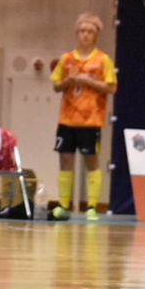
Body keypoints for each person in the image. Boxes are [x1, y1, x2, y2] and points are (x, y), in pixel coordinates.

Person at [49, 13, 117, 221]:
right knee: (65, 159)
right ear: (77, 33)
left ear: (96, 35)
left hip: (91, 119)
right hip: (67, 118)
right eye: (82, 31)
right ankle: (63, 205)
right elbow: (56, 86)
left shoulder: (102, 59)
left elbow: (111, 87)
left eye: (89, 32)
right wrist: (68, 80)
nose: (85, 35)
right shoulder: (67, 59)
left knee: (91, 160)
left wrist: (88, 81)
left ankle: (92, 206)